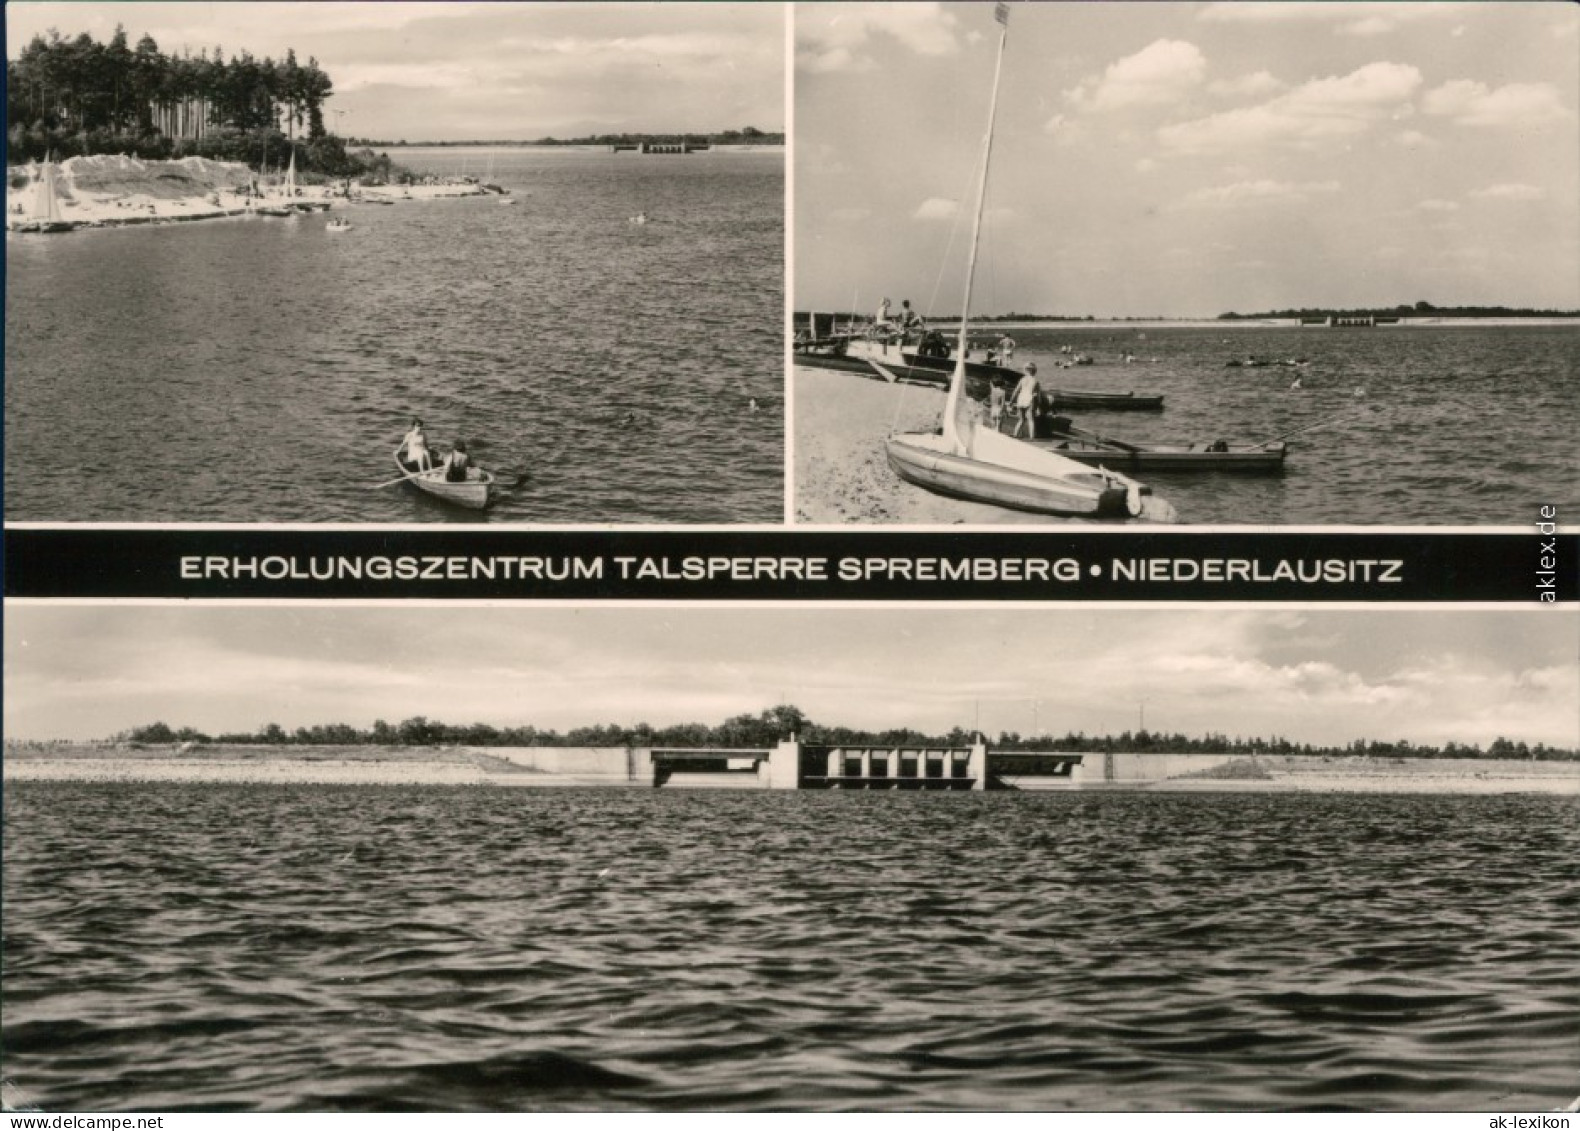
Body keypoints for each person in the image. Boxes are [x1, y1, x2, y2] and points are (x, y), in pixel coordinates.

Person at [1011, 363, 1041, 439]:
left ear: (1025, 371)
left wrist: (1011, 401)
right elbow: (1038, 394)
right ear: (1034, 371)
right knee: (1030, 419)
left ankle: (1015, 434)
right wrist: (1039, 405)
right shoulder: (1035, 381)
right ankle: (1032, 437)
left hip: (1021, 399)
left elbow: (1016, 391)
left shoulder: (1022, 379)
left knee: (1021, 419)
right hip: (1029, 399)